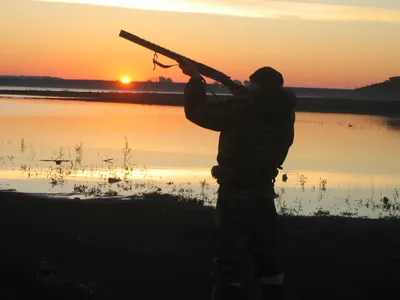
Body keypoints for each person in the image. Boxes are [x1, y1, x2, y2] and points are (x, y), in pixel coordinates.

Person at [179, 59, 296, 300]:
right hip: (263, 190)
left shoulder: (242, 107)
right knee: (266, 256)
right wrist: (243, 95)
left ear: (256, 85)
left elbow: (198, 113)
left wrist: (194, 79)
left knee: (228, 258)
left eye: (250, 84)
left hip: (235, 191)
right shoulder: (284, 112)